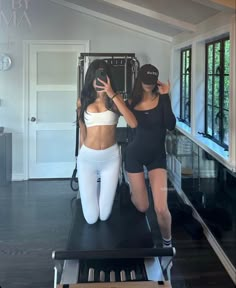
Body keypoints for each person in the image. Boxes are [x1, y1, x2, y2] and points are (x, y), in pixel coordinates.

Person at [77, 59, 137, 224]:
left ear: (108, 78)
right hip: (87, 159)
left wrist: (112, 93)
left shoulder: (115, 102)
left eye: (103, 76)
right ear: (90, 78)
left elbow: (133, 123)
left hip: (110, 159)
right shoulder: (82, 102)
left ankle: (97, 187)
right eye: (96, 76)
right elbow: (82, 130)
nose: (99, 80)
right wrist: (79, 156)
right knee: (91, 218)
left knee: (104, 215)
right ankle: (93, 186)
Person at [125, 64, 176, 247]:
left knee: (161, 208)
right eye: (145, 81)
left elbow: (170, 125)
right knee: (143, 206)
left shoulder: (162, 99)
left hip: (157, 158)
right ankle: (134, 192)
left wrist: (166, 96)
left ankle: (167, 243)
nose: (148, 85)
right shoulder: (131, 102)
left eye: (151, 82)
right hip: (134, 156)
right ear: (140, 79)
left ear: (156, 81)